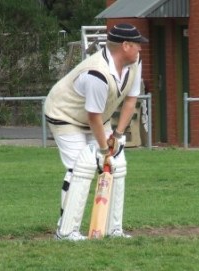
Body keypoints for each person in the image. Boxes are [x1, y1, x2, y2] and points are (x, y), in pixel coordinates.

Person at [44, 23, 148, 241]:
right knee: (81, 166)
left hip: (100, 118)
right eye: (137, 44)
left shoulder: (135, 62)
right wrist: (103, 149)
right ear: (125, 46)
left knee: (115, 164)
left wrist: (117, 136)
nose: (141, 49)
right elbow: (93, 117)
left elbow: (131, 100)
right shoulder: (97, 73)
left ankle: (113, 229)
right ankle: (65, 231)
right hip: (65, 114)